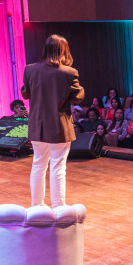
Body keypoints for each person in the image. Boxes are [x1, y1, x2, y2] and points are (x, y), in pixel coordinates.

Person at [21, 34, 85, 208]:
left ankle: (36, 206)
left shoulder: (30, 69)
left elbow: (26, 94)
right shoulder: (69, 73)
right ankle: (58, 207)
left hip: (37, 125)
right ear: (64, 50)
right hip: (59, 126)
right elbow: (78, 97)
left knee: (38, 165)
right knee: (58, 167)